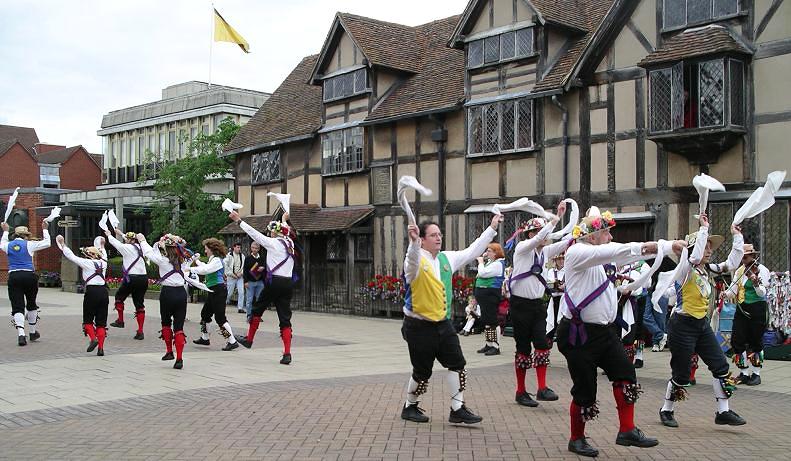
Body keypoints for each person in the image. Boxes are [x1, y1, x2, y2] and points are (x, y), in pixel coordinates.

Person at [558, 207, 682, 457]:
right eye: (607, 233)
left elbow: (625, 255)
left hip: (604, 333)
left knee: (626, 374)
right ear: (593, 236)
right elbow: (617, 250)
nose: (611, 237)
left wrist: (667, 249)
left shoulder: (603, 259)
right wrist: (662, 243)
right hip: (577, 334)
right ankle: (576, 438)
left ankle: (627, 430)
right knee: (585, 390)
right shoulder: (576, 252)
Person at [400, 214, 502, 425]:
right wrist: (412, 243)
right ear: (422, 240)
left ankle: (457, 408)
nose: (438, 238)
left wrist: (492, 228)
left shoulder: (446, 258)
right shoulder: (415, 261)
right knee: (422, 372)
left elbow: (472, 250)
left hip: (442, 323)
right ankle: (410, 406)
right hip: (418, 325)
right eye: (433, 235)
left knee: (457, 363)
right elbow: (411, 261)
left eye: (440, 234)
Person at [659, 213, 747, 429]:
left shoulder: (707, 269)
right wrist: (703, 229)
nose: (709, 250)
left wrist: (737, 237)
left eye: (710, 247)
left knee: (720, 365)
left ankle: (723, 412)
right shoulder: (685, 269)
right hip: (681, 325)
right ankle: (666, 409)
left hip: (701, 325)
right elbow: (694, 256)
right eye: (705, 246)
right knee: (681, 373)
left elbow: (732, 263)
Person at [507, 201, 567, 408]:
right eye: (539, 232)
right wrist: (553, 221)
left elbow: (563, 243)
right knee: (523, 348)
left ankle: (542, 388)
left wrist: (579, 233)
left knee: (542, 344)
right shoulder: (522, 249)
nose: (545, 236)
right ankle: (521, 391)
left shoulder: (544, 252)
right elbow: (541, 238)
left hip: (537, 306)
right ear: (531, 234)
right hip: (519, 306)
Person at [231, 211, 298, 365]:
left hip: (273, 282)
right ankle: (287, 353)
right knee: (285, 318)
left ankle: (249, 339)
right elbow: (285, 231)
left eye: (272, 231)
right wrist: (283, 219)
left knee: (257, 309)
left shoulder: (273, 243)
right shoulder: (290, 244)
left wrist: (239, 221)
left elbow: (254, 234)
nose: (270, 233)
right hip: (287, 283)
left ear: (275, 233)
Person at [137, 233, 190, 369]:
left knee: (166, 323)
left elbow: (148, 252)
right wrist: (174, 239)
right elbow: (183, 244)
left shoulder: (162, 260)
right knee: (179, 327)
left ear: (166, 248)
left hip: (167, 293)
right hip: (181, 293)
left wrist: (142, 239)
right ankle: (179, 358)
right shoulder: (185, 261)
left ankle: (169, 351)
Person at [725, 243, 770, 386]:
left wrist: (755, 282)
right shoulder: (739, 271)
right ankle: (744, 373)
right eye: (742, 257)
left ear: (753, 256)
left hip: (757, 308)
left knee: (755, 341)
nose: (744, 260)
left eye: (746, 257)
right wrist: (725, 293)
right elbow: (733, 290)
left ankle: (756, 373)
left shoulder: (762, 270)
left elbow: (762, 293)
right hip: (742, 308)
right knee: (737, 340)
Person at [56, 235, 109, 356]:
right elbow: (104, 253)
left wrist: (63, 244)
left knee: (88, 319)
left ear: (89, 255)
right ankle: (101, 348)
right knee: (101, 322)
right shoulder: (104, 263)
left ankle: (93, 338)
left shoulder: (86, 263)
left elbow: (71, 256)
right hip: (103, 292)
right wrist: (102, 245)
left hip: (91, 292)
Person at [1, 221, 50, 346]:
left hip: (14, 276)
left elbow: (2, 243)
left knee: (18, 306)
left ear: (15, 235)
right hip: (29, 275)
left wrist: (5, 230)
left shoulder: (8, 245)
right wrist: (45, 229)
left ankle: (21, 334)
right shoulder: (30, 244)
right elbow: (47, 243)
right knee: (31, 303)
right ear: (26, 235)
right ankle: (32, 332)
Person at [190, 238, 239, 351]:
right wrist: (196, 260)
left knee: (220, 317)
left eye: (206, 249)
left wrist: (189, 268)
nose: (205, 251)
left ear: (211, 249)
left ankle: (232, 341)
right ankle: (205, 338)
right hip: (213, 290)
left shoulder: (217, 260)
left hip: (219, 290)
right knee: (205, 314)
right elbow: (205, 266)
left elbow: (206, 270)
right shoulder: (213, 260)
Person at [106, 228, 149, 339]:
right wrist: (120, 233)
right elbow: (128, 239)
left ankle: (120, 320)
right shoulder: (141, 247)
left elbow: (115, 243)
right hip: (143, 279)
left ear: (129, 240)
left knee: (119, 297)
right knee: (139, 304)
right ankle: (140, 331)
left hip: (131, 278)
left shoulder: (125, 247)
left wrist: (109, 235)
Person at [474, 243, 506, 356]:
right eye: (487, 250)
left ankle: (496, 346)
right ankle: (489, 343)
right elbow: (480, 274)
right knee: (486, 320)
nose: (487, 253)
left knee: (492, 320)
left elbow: (481, 273)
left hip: (491, 295)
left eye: (489, 251)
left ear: (496, 252)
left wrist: (481, 262)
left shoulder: (498, 264)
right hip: (484, 295)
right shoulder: (491, 263)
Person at [644, 257, 676, 352]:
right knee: (645, 316)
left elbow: (677, 270)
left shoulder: (665, 259)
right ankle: (661, 335)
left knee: (660, 318)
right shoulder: (646, 260)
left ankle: (656, 343)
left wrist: (667, 282)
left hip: (661, 292)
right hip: (649, 291)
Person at [243, 241, 266, 322]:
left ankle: (257, 316)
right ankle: (249, 315)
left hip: (260, 282)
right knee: (249, 300)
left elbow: (266, 269)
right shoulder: (248, 258)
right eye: (253, 248)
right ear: (251, 248)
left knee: (259, 300)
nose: (254, 249)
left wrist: (263, 269)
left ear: (259, 249)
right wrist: (245, 281)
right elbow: (245, 270)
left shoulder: (262, 258)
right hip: (250, 282)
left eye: (256, 248)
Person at [545, 252, 565, 341]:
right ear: (555, 261)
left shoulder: (569, 271)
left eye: (562, 259)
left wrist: (564, 286)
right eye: (559, 259)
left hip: (565, 300)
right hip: (554, 299)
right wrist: (555, 285)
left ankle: (562, 336)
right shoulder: (551, 271)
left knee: (563, 319)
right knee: (552, 318)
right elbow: (549, 284)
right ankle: (550, 338)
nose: (561, 261)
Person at [225, 242, 245, 313]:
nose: (239, 249)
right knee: (229, 293)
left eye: (239, 247)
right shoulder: (229, 256)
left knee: (241, 292)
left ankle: (240, 308)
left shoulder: (242, 256)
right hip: (231, 276)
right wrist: (232, 274)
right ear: (234, 247)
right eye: (237, 247)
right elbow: (226, 267)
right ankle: (223, 304)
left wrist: (241, 273)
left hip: (239, 276)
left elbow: (243, 266)